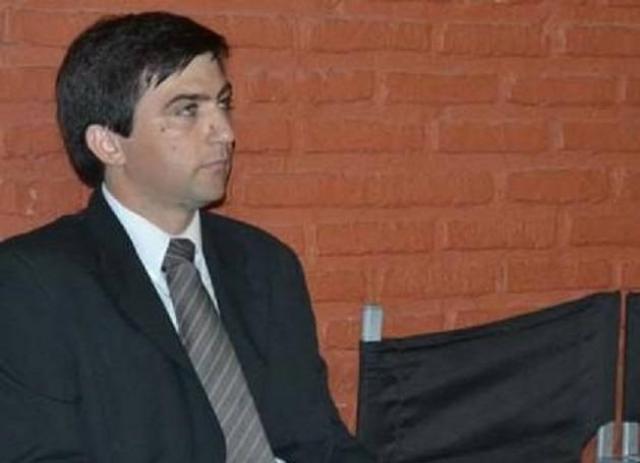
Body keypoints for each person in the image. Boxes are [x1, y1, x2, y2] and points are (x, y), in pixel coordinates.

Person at [0, 11, 374, 463]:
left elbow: (320, 443)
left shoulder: (266, 265)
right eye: (187, 110)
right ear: (109, 143)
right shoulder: (32, 284)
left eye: (223, 104)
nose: (225, 133)